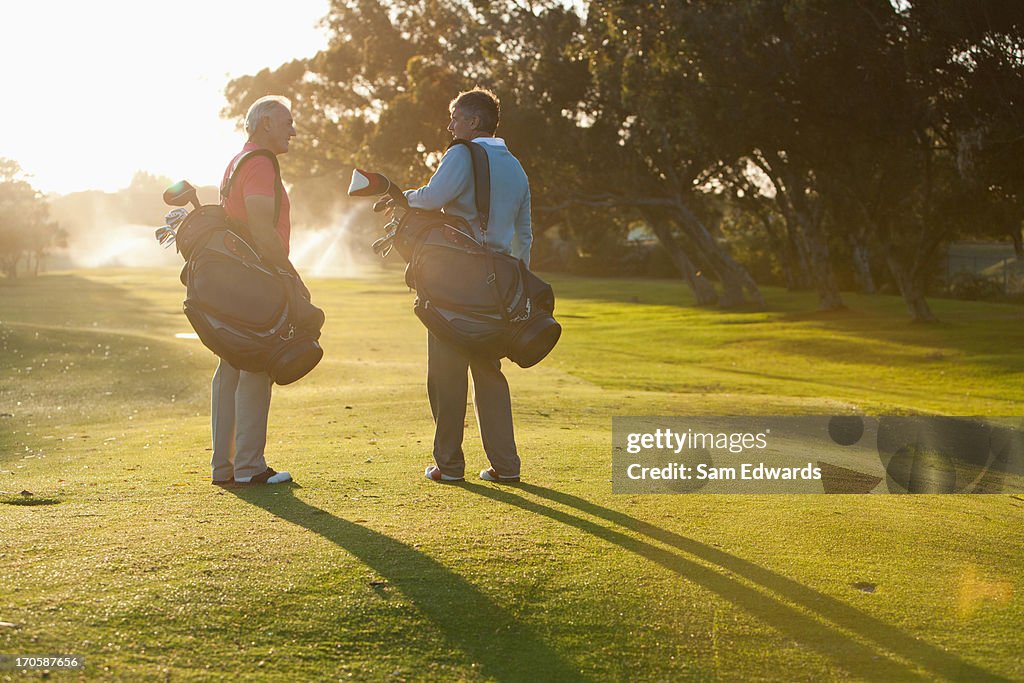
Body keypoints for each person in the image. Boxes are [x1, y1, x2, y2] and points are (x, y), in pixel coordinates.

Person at [403, 87, 533, 484]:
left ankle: (449, 465)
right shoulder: (515, 165)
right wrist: (516, 287)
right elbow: (524, 236)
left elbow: (431, 197)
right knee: (489, 372)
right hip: (497, 286)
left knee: (445, 373)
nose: (450, 125)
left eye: (456, 117)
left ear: (473, 122)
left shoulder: (461, 152)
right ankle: (506, 466)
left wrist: (402, 196)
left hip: (455, 280)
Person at [210, 95, 300, 486]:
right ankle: (249, 467)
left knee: (230, 364)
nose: (292, 130)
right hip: (255, 277)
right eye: (287, 122)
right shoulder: (261, 163)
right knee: (256, 364)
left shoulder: (238, 159)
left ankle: (224, 467)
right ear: (265, 124)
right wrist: (285, 272)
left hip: (233, 278)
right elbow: (261, 226)